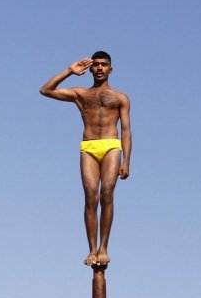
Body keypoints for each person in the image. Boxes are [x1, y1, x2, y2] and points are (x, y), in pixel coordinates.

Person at [40, 51, 132, 267]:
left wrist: (127, 160)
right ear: (90, 68)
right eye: (96, 65)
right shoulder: (81, 94)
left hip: (111, 145)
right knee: (91, 196)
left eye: (104, 65)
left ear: (111, 69)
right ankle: (92, 249)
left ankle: (104, 248)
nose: (100, 68)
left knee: (106, 193)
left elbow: (126, 130)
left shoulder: (120, 98)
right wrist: (69, 71)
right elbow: (45, 90)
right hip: (89, 146)